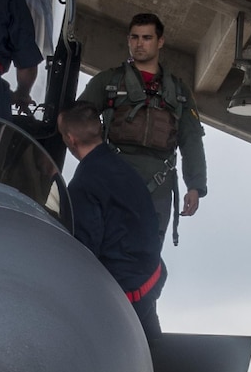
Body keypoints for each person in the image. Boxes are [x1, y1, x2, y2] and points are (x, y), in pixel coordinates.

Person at [78, 13, 207, 245]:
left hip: (158, 181)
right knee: (97, 246)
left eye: (147, 37)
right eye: (135, 37)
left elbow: (191, 139)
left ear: (160, 41)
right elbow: (76, 120)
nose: (139, 43)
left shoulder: (178, 91)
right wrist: (91, 165)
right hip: (115, 174)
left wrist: (195, 185)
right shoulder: (109, 81)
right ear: (128, 39)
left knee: (146, 257)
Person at [56, 102, 164, 341]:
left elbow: (84, 254)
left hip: (124, 302)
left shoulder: (83, 186)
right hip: (149, 282)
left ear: (71, 139)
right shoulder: (124, 168)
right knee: (154, 361)